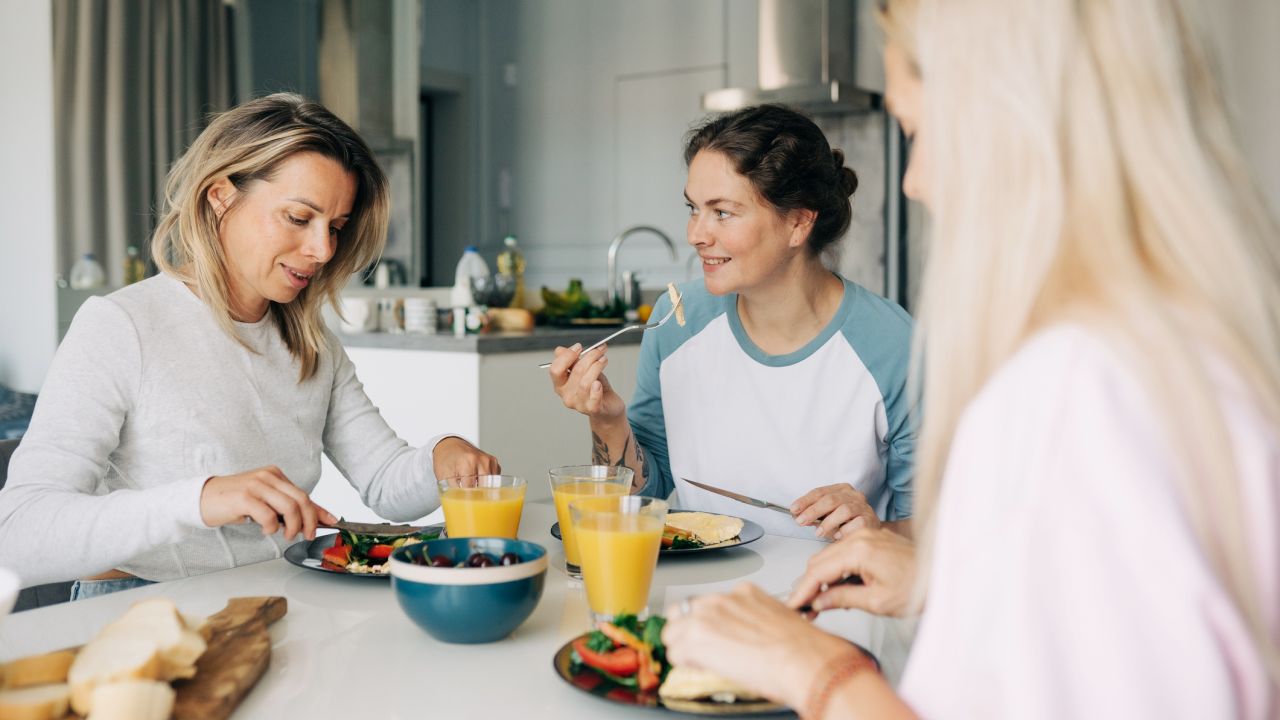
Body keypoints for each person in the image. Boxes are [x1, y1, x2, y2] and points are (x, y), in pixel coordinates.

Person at [661, 0, 1280, 717]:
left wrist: (812, 667)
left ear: (1012, 125)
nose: (913, 181)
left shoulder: (1077, 390)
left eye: (919, 132)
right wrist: (942, 580)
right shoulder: (1169, 354)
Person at [0, 93, 499, 599]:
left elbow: (386, 484)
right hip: (141, 602)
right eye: (298, 218)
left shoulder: (311, 345)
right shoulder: (121, 326)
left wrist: (442, 456)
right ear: (221, 196)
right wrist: (201, 499)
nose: (323, 250)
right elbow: (17, 533)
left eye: (335, 228)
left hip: (278, 595)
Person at [549, 104, 915, 540]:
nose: (695, 235)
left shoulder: (894, 345)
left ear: (798, 223)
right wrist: (608, 420)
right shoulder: (676, 321)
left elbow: (940, 532)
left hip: (834, 584)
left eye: (722, 212)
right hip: (701, 583)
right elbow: (646, 497)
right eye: (693, 208)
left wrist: (875, 530)